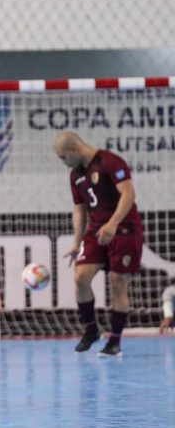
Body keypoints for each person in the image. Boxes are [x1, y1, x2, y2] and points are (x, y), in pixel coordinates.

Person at [53, 131, 143, 357]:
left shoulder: (109, 162)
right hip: (95, 231)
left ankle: (114, 341)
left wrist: (113, 224)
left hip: (123, 229)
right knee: (80, 278)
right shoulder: (76, 175)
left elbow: (128, 194)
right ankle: (91, 330)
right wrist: (76, 242)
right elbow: (79, 208)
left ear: (74, 149)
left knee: (118, 282)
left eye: (64, 158)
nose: (64, 163)